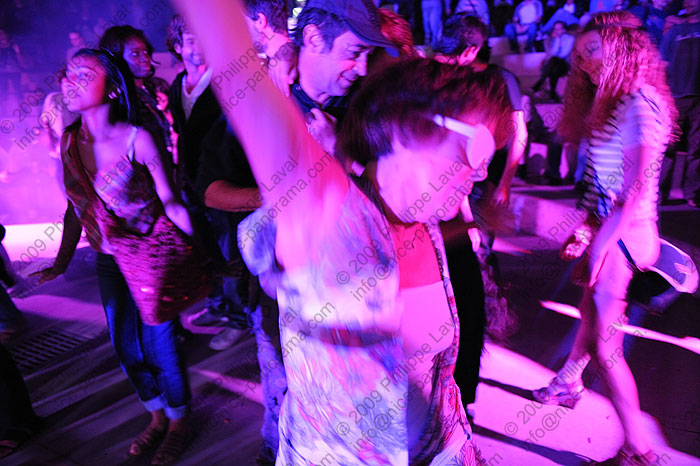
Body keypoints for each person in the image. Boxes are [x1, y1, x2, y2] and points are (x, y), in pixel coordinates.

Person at [175, 0, 514, 463]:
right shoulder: (331, 216)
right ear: (407, 128)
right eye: (474, 150)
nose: (481, 173)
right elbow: (232, 58)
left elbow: (437, 382)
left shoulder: (430, 228)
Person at [31, 49, 194, 465]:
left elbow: (171, 202)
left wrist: (200, 256)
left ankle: (178, 423)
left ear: (113, 88)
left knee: (161, 346)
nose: (71, 81)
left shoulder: (137, 139)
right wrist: (62, 262)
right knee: (125, 348)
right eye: (69, 73)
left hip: (150, 259)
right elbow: (75, 208)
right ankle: (157, 416)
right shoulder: (69, 142)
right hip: (108, 261)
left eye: (85, 74)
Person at [533, 11, 677, 465]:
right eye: (579, 55)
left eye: (592, 50)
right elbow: (603, 181)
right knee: (590, 315)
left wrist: (600, 247)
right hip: (610, 228)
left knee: (606, 346)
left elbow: (634, 191)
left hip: (627, 236)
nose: (584, 62)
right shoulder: (613, 100)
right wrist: (587, 225)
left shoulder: (641, 102)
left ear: (621, 48)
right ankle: (569, 382)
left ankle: (639, 448)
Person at [166, 14, 252, 350]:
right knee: (208, 248)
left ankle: (240, 317)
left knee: (232, 250)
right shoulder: (177, 86)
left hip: (224, 179)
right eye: (190, 39)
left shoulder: (225, 79)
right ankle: (219, 306)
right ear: (177, 46)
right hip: (192, 182)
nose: (198, 45)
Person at [99, 26, 175, 184]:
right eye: (135, 53)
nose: (145, 58)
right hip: (145, 184)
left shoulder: (155, 89)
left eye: (146, 51)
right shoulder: (117, 101)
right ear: (116, 58)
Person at [660, 0, 700, 207]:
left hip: (698, 98)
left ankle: (694, 194)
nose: (689, 2)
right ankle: (659, 193)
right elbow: (663, 65)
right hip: (675, 98)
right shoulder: (674, 32)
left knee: (697, 148)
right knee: (668, 147)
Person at [531, 21, 575, 101]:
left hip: (565, 65)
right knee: (554, 68)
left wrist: (557, 40)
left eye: (559, 29)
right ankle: (553, 94)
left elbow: (564, 54)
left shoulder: (570, 39)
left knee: (554, 61)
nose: (556, 31)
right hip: (555, 66)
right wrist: (557, 40)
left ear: (564, 30)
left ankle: (540, 83)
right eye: (555, 29)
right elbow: (553, 53)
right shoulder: (555, 39)